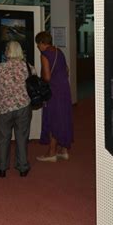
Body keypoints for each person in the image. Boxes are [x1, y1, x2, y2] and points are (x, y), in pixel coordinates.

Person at [0, 40, 34, 178]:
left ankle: (1, 168)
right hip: (23, 107)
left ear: (7, 51)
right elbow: (33, 86)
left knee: (4, 138)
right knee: (22, 137)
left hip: (5, 108)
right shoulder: (28, 67)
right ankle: (23, 167)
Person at [35, 31, 73, 162]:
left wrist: (40, 80)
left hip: (53, 91)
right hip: (64, 88)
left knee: (52, 119)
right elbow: (67, 70)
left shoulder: (44, 54)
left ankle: (51, 153)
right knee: (63, 116)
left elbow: (47, 76)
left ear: (42, 43)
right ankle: (64, 150)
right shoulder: (59, 51)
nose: (37, 47)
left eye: (37, 44)